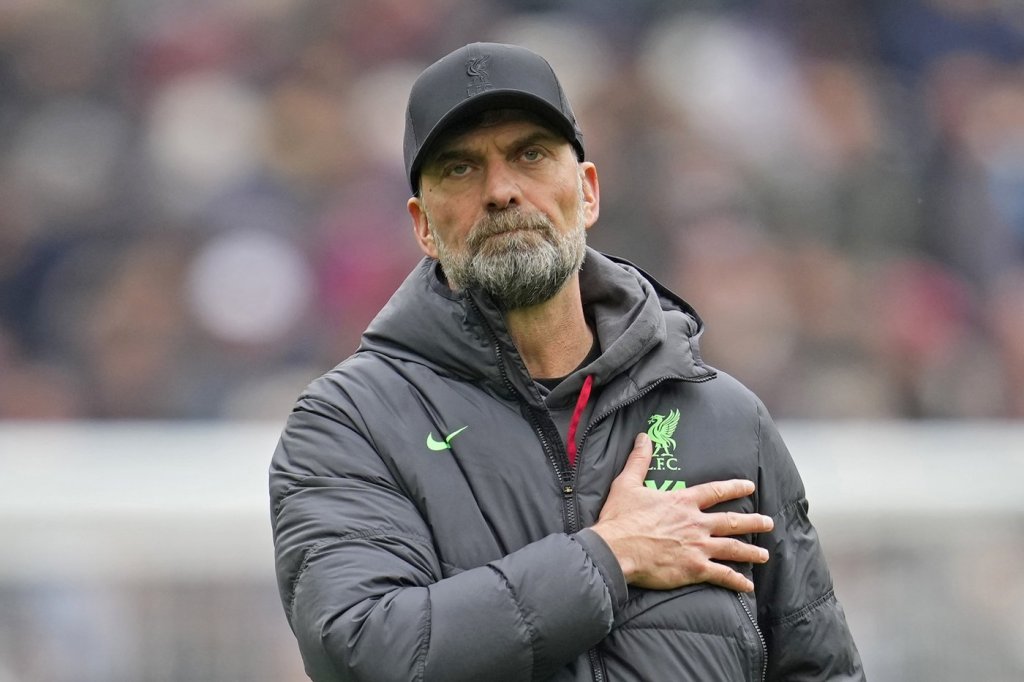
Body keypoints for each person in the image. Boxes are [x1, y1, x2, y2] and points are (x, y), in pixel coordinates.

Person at [269, 42, 864, 681]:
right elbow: (363, 653)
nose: (501, 191)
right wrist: (608, 558)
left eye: (530, 155)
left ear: (587, 192)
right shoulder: (350, 424)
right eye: (460, 168)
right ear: (423, 226)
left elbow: (820, 668)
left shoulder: (723, 417)